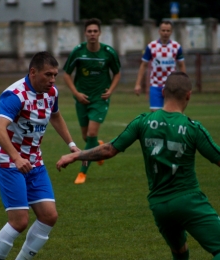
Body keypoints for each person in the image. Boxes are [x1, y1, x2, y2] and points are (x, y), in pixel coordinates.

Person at [57, 72, 220, 260]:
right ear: (189, 95)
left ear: (162, 92)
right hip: (188, 200)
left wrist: (77, 155)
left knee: (180, 251)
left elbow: (109, 149)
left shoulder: (143, 122)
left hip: (160, 206)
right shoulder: (193, 128)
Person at [0, 51, 80, 260]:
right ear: (33, 72)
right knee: (19, 221)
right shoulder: (14, 95)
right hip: (8, 161)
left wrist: (72, 144)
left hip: (34, 161)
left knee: (49, 216)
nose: (52, 80)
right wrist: (16, 158)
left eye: (55, 75)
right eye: (48, 74)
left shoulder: (51, 93)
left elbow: (55, 116)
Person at [63, 17, 121, 184]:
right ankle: (99, 147)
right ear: (85, 33)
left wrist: (110, 91)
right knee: (86, 136)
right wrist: (76, 93)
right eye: (89, 31)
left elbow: (117, 73)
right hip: (82, 99)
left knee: (91, 133)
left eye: (95, 31)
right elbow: (66, 74)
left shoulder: (108, 52)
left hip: (100, 99)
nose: (92, 34)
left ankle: (82, 172)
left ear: (100, 33)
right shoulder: (78, 52)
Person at [134, 21, 186, 111]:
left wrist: (184, 83)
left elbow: (181, 65)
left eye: (168, 30)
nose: (165, 33)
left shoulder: (176, 47)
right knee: (155, 115)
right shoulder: (151, 46)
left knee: (171, 113)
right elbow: (143, 65)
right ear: (159, 31)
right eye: (163, 30)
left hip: (171, 86)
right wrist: (138, 84)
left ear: (171, 32)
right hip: (155, 85)